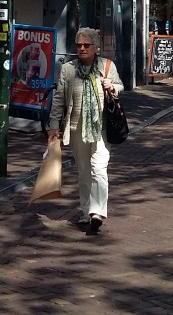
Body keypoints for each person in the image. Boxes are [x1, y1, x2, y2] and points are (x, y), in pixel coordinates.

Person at [47, 28, 123, 234]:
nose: (81, 48)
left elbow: (120, 86)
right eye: (79, 45)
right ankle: (86, 210)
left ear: (96, 47)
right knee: (83, 172)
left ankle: (97, 212)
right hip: (76, 127)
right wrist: (54, 125)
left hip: (101, 128)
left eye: (86, 45)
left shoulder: (106, 66)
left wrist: (113, 87)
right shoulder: (68, 69)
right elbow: (60, 99)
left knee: (98, 168)